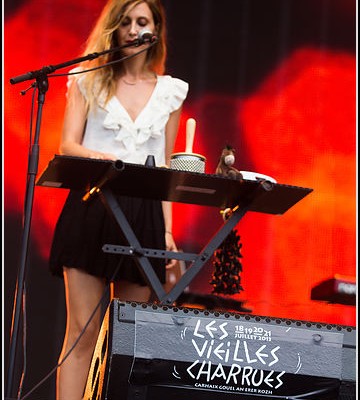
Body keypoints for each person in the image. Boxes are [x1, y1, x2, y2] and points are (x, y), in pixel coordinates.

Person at [48, 0, 188, 398]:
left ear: (156, 29)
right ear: (112, 27)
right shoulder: (88, 79)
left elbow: (164, 168)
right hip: (93, 200)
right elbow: (67, 145)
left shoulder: (170, 92)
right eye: (124, 21)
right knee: (82, 333)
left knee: (126, 340)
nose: (132, 29)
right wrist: (102, 158)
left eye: (141, 21)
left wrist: (167, 233)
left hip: (143, 210)